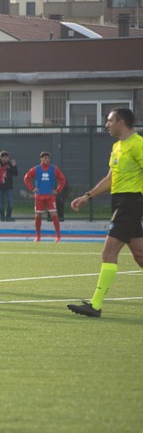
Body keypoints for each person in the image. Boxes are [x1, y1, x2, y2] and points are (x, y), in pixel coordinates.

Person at [68, 108, 143, 318]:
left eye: (109, 120)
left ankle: (96, 305)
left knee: (108, 252)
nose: (106, 124)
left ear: (121, 122)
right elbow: (111, 179)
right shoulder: (117, 146)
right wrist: (87, 196)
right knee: (139, 255)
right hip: (119, 201)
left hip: (131, 202)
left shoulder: (138, 144)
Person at [23, 151, 67, 242]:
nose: (47, 160)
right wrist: (32, 188)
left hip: (50, 197)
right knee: (38, 215)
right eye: (45, 158)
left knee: (54, 214)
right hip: (39, 197)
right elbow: (26, 178)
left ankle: (58, 237)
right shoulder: (36, 169)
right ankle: (38, 236)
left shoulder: (54, 169)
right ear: (41, 159)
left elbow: (63, 179)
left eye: (48, 158)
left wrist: (58, 190)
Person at [0, 150, 18, 221]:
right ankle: (2, 217)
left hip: (8, 187)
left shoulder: (10, 165)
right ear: (0, 157)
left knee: (10, 202)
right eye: (4, 157)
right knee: (1, 204)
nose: (6, 159)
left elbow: (15, 173)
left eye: (7, 157)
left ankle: (8, 216)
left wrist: (14, 166)